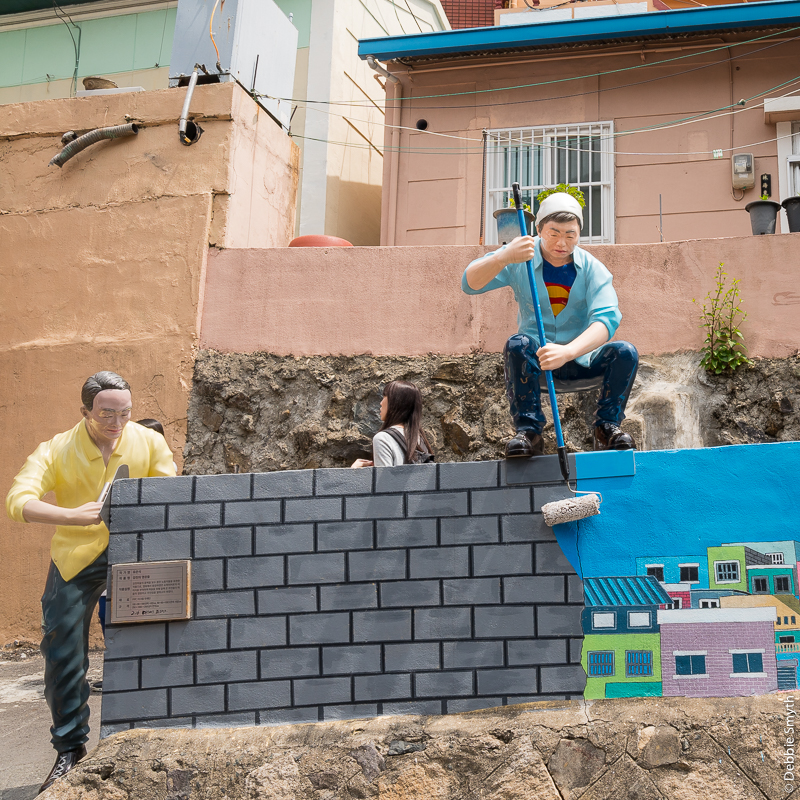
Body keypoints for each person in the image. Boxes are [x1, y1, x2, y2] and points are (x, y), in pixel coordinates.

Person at [5, 372, 176, 794]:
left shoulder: (149, 441)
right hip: (76, 557)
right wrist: (70, 515)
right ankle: (69, 748)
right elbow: (17, 501)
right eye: (106, 414)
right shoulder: (56, 448)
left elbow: (169, 493)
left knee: (161, 637)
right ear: (85, 411)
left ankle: (154, 736)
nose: (117, 423)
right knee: (61, 647)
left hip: (137, 552)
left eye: (125, 413)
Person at [462, 192, 638, 458]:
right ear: (538, 230)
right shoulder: (520, 257)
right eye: (553, 234)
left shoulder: (593, 268)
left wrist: (568, 351)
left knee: (625, 352)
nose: (561, 243)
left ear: (579, 234)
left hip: (581, 362)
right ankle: (529, 432)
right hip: (536, 364)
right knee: (517, 344)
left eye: (570, 235)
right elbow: (470, 284)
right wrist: (503, 257)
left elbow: (606, 319)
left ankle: (606, 427)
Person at [351, 380, 433, 467]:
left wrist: (354, 471)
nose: (381, 403)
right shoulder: (419, 439)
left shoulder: (383, 438)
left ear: (396, 402)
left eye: (384, 396)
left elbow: (384, 476)